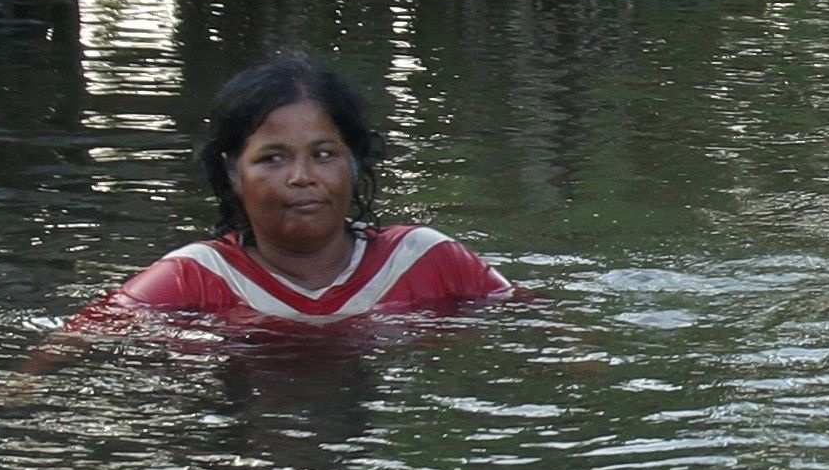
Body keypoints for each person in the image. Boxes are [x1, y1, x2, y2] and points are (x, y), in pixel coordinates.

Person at [67, 50, 516, 339]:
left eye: (323, 154)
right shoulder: (194, 278)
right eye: (273, 159)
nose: (302, 177)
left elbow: (538, 330)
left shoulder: (425, 259)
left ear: (353, 164)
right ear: (233, 174)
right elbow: (68, 349)